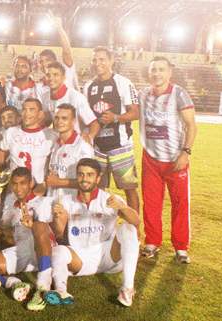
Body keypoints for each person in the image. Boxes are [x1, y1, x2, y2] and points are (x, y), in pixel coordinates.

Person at [45, 158, 141, 307]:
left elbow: (136, 222)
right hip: (81, 256)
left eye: (90, 175)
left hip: (109, 254)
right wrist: (58, 216)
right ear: (77, 177)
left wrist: (122, 207)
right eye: (81, 174)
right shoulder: (66, 200)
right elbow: (58, 233)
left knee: (128, 229)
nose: (85, 179)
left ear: (98, 179)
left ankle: (127, 289)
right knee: (58, 251)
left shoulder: (109, 199)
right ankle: (61, 291)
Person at [138, 56, 197, 263]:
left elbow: (192, 125)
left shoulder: (179, 93)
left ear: (169, 72)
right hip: (151, 158)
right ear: (149, 72)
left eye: (161, 69)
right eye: (153, 69)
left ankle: (181, 247)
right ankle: (152, 242)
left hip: (175, 160)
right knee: (151, 203)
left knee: (180, 205)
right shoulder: (143, 94)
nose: (157, 73)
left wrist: (185, 152)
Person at [0, 167, 61, 311]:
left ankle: (43, 285)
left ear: (31, 184)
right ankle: (14, 283)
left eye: (23, 183)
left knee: (39, 225)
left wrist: (33, 225)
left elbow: (56, 232)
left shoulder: (45, 202)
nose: (18, 188)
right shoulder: (13, 207)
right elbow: (10, 234)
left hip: (42, 250)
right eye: (14, 183)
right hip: (23, 251)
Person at [83, 46, 140, 213]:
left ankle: (134, 228)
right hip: (98, 148)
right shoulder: (88, 87)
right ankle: (100, 227)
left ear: (111, 61)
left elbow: (135, 112)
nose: (98, 63)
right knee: (97, 189)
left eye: (102, 59)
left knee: (129, 188)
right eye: (94, 60)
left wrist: (116, 117)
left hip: (120, 146)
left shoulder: (123, 83)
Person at [0, 98, 57, 196]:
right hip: (15, 189)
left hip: (37, 191)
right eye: (24, 109)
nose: (27, 113)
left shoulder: (51, 135)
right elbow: (0, 160)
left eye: (32, 110)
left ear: (40, 114)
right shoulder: (11, 132)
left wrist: (43, 187)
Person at [46, 104, 94, 200]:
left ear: (73, 122)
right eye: (56, 118)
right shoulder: (54, 143)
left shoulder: (83, 145)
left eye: (64, 118)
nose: (59, 122)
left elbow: (89, 181)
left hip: (74, 204)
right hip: (52, 201)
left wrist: (59, 182)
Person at [42, 61, 99, 140]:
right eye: (48, 75)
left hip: (76, 144)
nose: (51, 78)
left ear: (64, 78)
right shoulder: (45, 97)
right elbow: (47, 121)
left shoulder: (76, 97)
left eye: (55, 75)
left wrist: (88, 137)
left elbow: (94, 124)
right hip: (59, 144)